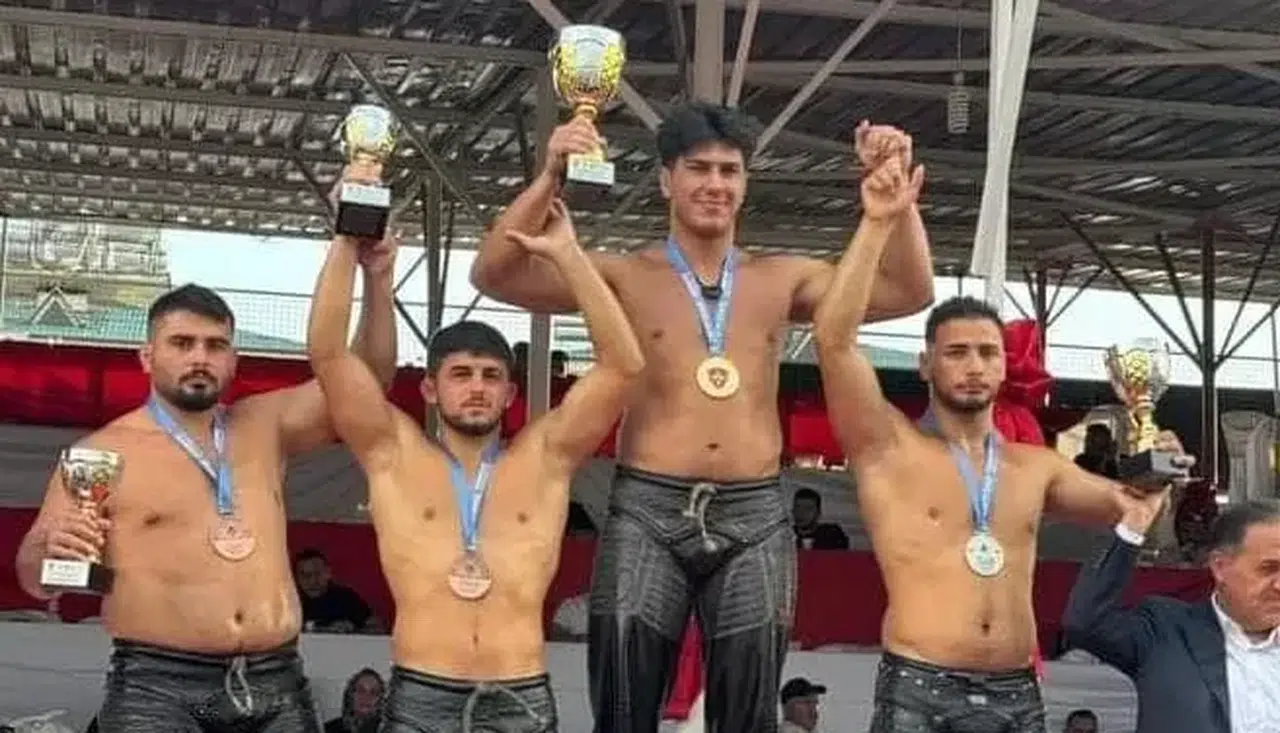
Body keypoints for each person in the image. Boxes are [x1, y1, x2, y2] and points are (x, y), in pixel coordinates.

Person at [471, 101, 935, 732]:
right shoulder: (625, 274)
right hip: (648, 507)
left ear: (745, 183)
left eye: (729, 170)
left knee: (747, 716)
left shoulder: (781, 278)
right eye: (698, 168)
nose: (715, 184)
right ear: (667, 180)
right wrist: (551, 174)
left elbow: (909, 291)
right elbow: (495, 273)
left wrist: (896, 203)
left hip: (754, 513)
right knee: (623, 709)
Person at [810, 155, 1193, 732]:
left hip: (1017, 687)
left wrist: (1159, 467)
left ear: (1004, 366)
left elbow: (1130, 507)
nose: (974, 366)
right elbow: (834, 340)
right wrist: (879, 222)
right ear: (925, 364)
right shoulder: (888, 447)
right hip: (920, 684)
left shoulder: (1036, 467)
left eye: (987, 353)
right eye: (956, 352)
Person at [13, 218, 399, 730]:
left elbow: (364, 384)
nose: (200, 357)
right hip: (157, 687)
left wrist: (377, 278)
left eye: (215, 345)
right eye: (182, 342)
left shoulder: (265, 425)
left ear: (233, 360)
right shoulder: (101, 452)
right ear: (147, 357)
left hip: (276, 679)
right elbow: (34, 576)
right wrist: (51, 549)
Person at [307, 199, 642, 733]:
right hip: (423, 691)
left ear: (510, 393)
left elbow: (623, 366)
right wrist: (350, 238)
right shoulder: (393, 454)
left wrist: (568, 256)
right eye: (461, 375)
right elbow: (329, 355)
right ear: (430, 389)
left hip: (519, 694)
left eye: (491, 376)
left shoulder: (546, 458)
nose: (478, 388)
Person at [1061, 497, 1280, 733]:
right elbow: (1087, 622)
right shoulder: (1166, 631)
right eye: (1268, 569)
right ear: (1220, 567)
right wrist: (1132, 525)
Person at [324, 668, 385, 733]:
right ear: (351, 695)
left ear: (380, 700)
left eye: (373, 692)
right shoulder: (328, 729)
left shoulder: (387, 729)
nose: (366, 697)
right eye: (361, 691)